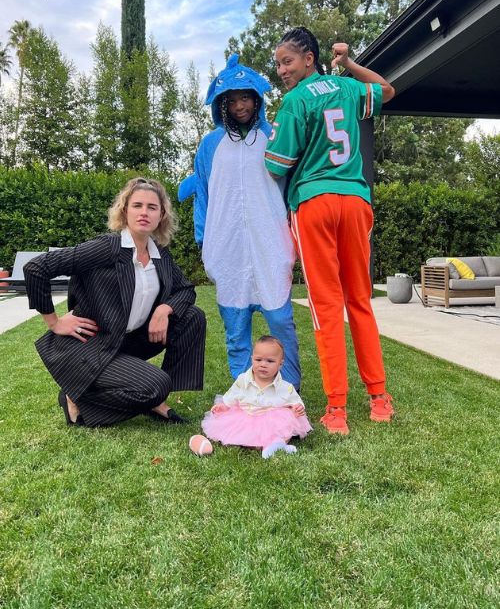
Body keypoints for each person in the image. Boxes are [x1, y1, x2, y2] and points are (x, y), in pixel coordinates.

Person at [265, 27, 396, 435]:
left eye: (287, 61)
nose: (282, 70)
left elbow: (275, 165)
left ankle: (336, 409)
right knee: (360, 299)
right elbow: (387, 91)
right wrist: (351, 64)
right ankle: (379, 399)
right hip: (356, 201)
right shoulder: (347, 87)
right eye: (278, 65)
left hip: (314, 204)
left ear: (309, 58)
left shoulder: (294, 101)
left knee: (326, 306)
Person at [23, 177, 206, 428]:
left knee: (192, 316)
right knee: (155, 386)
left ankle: (157, 400)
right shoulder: (106, 248)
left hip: (127, 341)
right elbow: (36, 268)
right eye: (137, 205)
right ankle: (76, 396)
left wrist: (164, 309)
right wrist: (54, 322)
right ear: (124, 210)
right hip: (91, 345)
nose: (144, 212)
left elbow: (186, 289)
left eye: (152, 207)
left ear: (161, 215)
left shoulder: (160, 255)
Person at [178, 54, 301, 390]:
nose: (239, 106)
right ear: (222, 104)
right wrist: (203, 238)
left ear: (256, 99)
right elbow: (202, 192)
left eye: (245, 97)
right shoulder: (210, 145)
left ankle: (288, 390)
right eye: (231, 100)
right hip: (227, 244)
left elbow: (291, 185)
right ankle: (246, 390)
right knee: (235, 326)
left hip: (270, 241)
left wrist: (295, 234)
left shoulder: (274, 135)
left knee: (280, 321)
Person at [200, 335, 312, 458]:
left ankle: (276, 445)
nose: (263, 364)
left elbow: (296, 401)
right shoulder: (243, 380)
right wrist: (224, 406)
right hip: (247, 415)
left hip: (273, 419)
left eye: (270, 361)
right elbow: (232, 395)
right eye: (258, 360)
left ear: (280, 364)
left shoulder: (285, 387)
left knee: (286, 425)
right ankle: (255, 443)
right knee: (241, 433)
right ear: (252, 359)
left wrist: (297, 407)